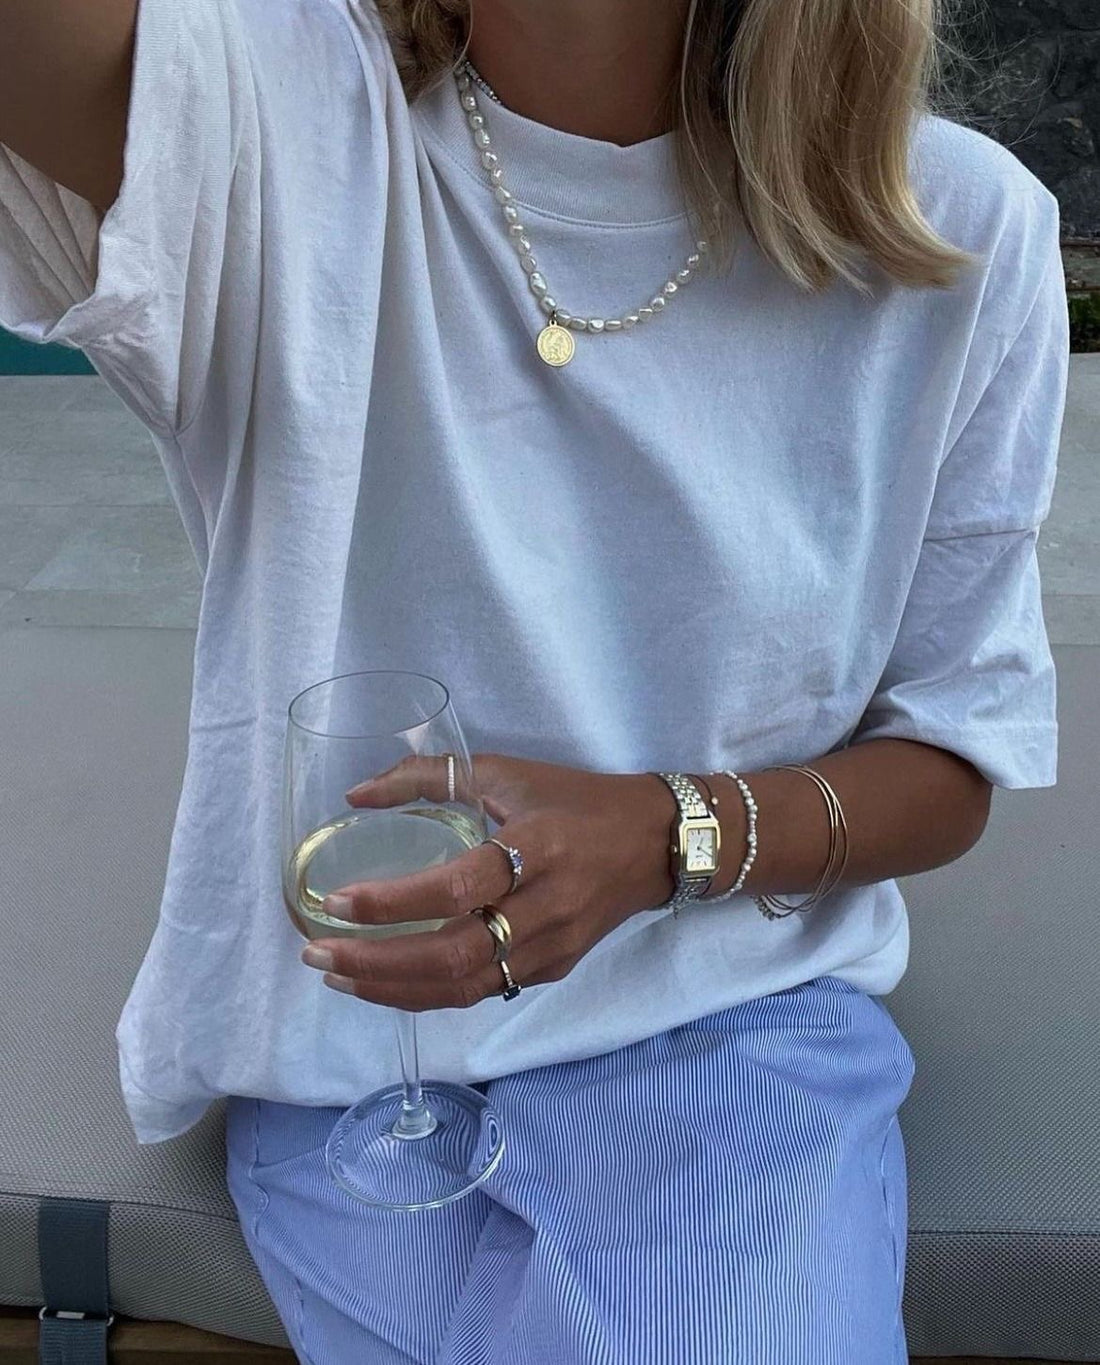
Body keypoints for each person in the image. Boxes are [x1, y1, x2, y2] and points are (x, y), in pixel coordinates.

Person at [0, 0, 1069, 1359]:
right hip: (352, 1049)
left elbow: (953, 752)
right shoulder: (277, 132)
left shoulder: (963, 233)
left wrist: (662, 832)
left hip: (730, 1032)